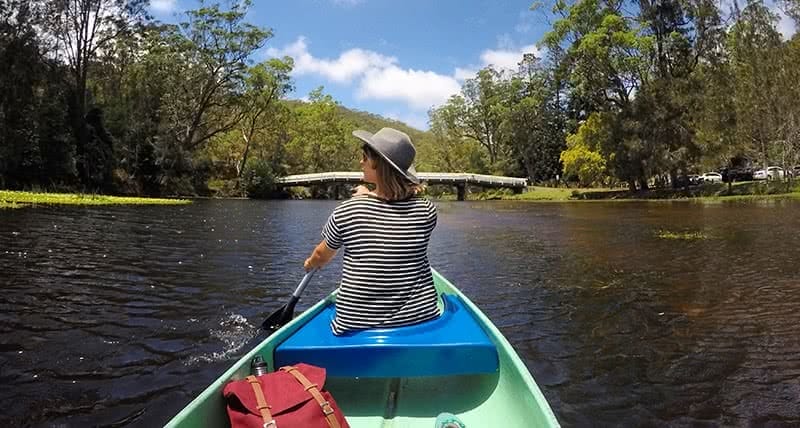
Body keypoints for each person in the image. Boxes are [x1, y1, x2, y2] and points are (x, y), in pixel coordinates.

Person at [303, 127, 440, 335]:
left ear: (378, 163)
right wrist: (369, 196)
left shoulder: (347, 211)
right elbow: (391, 210)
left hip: (356, 324)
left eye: (364, 157)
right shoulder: (427, 211)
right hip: (420, 319)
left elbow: (322, 256)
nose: (360, 162)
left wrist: (310, 263)